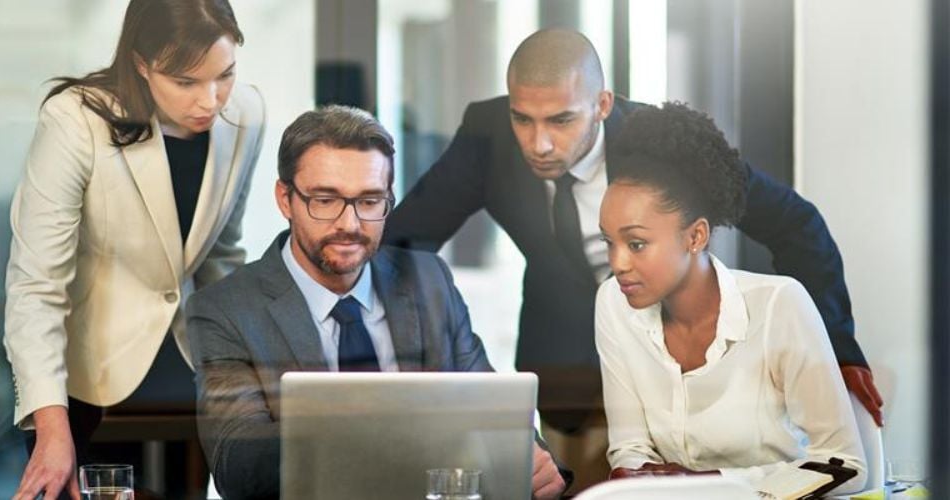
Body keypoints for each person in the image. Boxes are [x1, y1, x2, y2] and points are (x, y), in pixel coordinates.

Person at [384, 28, 882, 435]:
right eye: (523, 118)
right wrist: (416, 365)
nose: (537, 143)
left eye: (560, 120)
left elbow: (797, 224)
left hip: (675, 355)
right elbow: (403, 243)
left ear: (602, 104)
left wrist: (835, 348)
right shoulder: (488, 131)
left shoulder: (663, 142)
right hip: (558, 361)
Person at [186, 105, 568, 499]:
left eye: (370, 201)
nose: (349, 224)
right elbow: (239, 467)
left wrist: (533, 459)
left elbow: (490, 410)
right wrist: (379, 428)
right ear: (286, 199)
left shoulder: (429, 281)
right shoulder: (225, 309)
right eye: (325, 200)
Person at [3, 1, 265, 498]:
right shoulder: (75, 121)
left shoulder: (247, 115)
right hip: (86, 383)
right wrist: (51, 428)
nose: (210, 101)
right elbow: (36, 287)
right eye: (186, 82)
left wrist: (246, 379)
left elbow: (222, 257)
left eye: (224, 75)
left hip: (188, 379)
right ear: (143, 64)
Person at [596, 102, 866, 494]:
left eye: (636, 243)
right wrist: (641, 478)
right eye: (609, 242)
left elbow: (847, 466)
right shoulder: (614, 304)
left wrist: (709, 485)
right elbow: (630, 448)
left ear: (696, 237)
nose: (617, 263)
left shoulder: (779, 306)